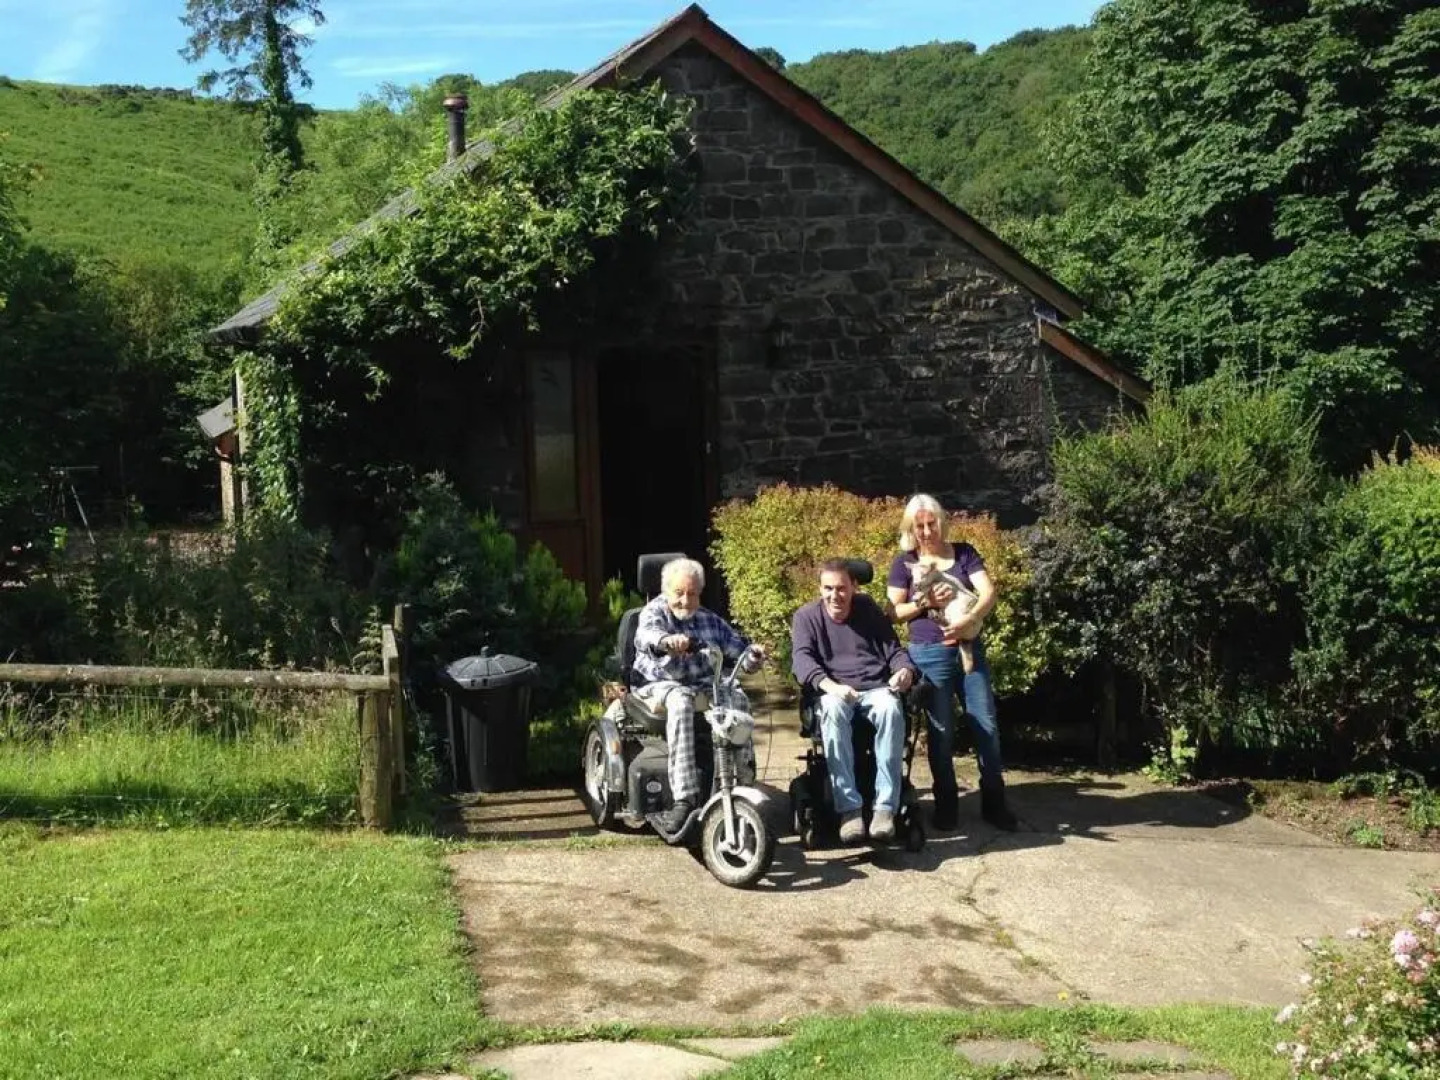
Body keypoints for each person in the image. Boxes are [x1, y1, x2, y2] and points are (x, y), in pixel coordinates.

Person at [886, 493, 1016, 832]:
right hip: (929, 653)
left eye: (931, 524)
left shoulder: (965, 552)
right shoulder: (905, 562)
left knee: (986, 726)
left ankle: (994, 803)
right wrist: (925, 602)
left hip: (969, 645)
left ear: (941, 522)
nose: (927, 531)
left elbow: (988, 592)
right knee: (942, 734)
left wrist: (967, 619)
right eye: (920, 526)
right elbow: (894, 612)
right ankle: (946, 805)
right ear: (911, 529)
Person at [632, 557, 764, 832]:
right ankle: (685, 796)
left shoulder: (709, 620)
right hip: (658, 683)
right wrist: (666, 641)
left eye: (692, 594)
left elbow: (739, 652)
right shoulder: (653, 612)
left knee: (737, 698)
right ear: (666, 590)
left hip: (703, 683)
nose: (685, 601)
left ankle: (743, 779)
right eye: (678, 593)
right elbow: (646, 635)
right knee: (682, 703)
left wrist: (754, 655)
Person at [791, 558, 917, 843]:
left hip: (874, 687)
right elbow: (801, 660)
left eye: (841, 588)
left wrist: (904, 670)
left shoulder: (867, 609)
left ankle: (885, 808)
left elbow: (893, 649)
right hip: (834, 690)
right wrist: (831, 686)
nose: (834, 595)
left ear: (854, 587)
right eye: (828, 588)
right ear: (820, 588)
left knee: (890, 708)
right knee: (833, 711)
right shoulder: (806, 617)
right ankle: (849, 810)